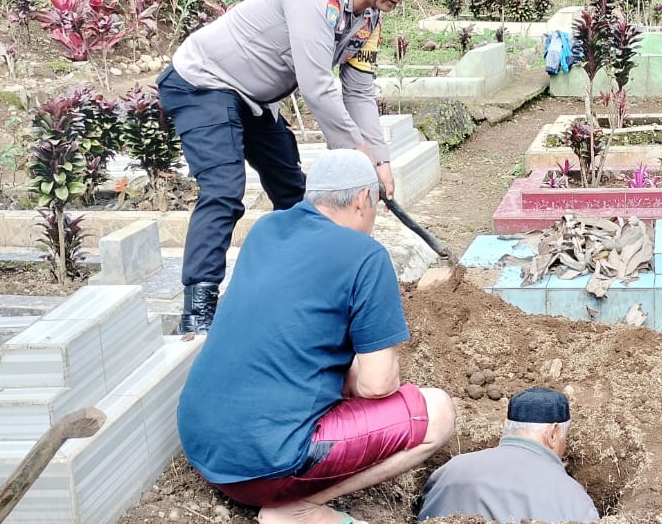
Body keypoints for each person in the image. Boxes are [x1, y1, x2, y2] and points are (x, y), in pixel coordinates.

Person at [158, 0, 426, 334]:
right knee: (225, 189)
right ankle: (198, 311)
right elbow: (318, 87)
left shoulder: (368, 19)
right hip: (204, 83)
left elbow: (358, 92)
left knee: (294, 192)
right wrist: (355, 159)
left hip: (255, 99)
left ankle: (306, 285)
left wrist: (382, 160)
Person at [176, 149, 455, 524]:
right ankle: (298, 509)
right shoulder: (366, 256)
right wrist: (359, 376)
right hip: (265, 467)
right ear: (361, 200)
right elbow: (377, 385)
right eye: (375, 204)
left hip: (203, 448)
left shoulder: (266, 230)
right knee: (437, 411)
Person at [417, 387, 600, 523]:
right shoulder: (573, 501)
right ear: (553, 434)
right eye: (564, 438)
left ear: (505, 424)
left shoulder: (449, 470)